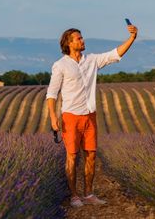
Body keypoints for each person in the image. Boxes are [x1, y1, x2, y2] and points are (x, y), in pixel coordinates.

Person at [46, 24, 138, 207]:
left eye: (82, 37)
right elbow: (52, 93)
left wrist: (132, 38)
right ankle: (74, 196)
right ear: (69, 43)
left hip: (90, 116)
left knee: (91, 156)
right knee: (71, 157)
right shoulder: (60, 65)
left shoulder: (92, 60)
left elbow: (115, 54)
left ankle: (88, 194)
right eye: (79, 38)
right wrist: (53, 118)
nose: (82, 40)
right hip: (71, 117)